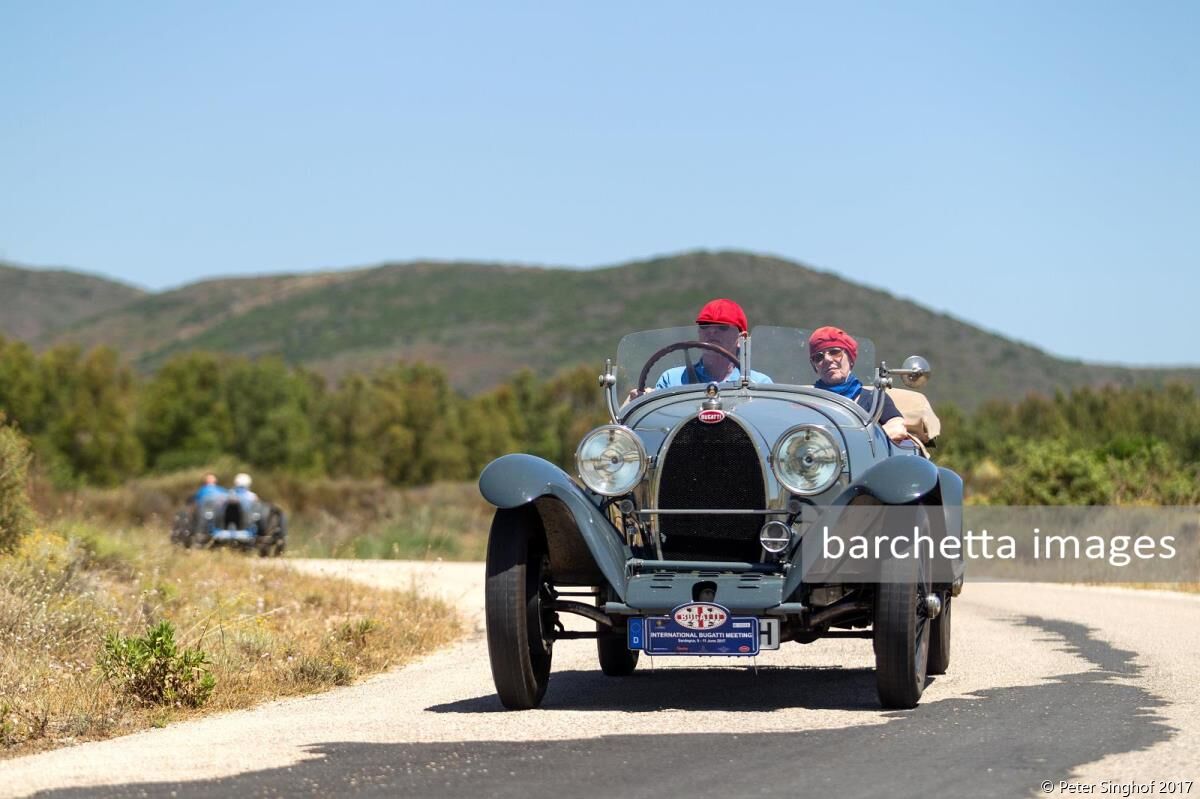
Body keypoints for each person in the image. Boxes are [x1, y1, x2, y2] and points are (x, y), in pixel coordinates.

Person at [808, 326, 909, 443]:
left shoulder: (875, 399)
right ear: (815, 366)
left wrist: (862, 441)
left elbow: (897, 427)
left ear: (850, 359)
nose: (827, 359)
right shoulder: (807, 401)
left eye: (835, 352)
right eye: (819, 357)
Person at [655, 299, 773, 388]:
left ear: (742, 338)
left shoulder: (759, 384)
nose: (711, 331)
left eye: (722, 327)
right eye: (704, 325)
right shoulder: (671, 380)